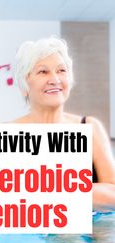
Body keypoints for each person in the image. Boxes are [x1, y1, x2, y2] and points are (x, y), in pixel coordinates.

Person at [13, 37, 115, 211]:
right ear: (24, 86)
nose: (55, 79)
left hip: (91, 234)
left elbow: (113, 193)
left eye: (61, 70)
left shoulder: (89, 128)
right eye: (42, 72)